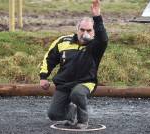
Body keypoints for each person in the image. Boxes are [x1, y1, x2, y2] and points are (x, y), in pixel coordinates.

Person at [39, 0, 108, 129]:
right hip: (64, 83)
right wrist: (43, 77)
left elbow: (103, 38)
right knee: (53, 114)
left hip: (86, 82)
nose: (85, 33)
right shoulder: (62, 41)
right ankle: (70, 113)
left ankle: (83, 121)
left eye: (89, 30)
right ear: (77, 29)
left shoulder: (96, 45)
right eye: (82, 30)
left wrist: (97, 17)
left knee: (77, 93)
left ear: (94, 32)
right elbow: (49, 58)